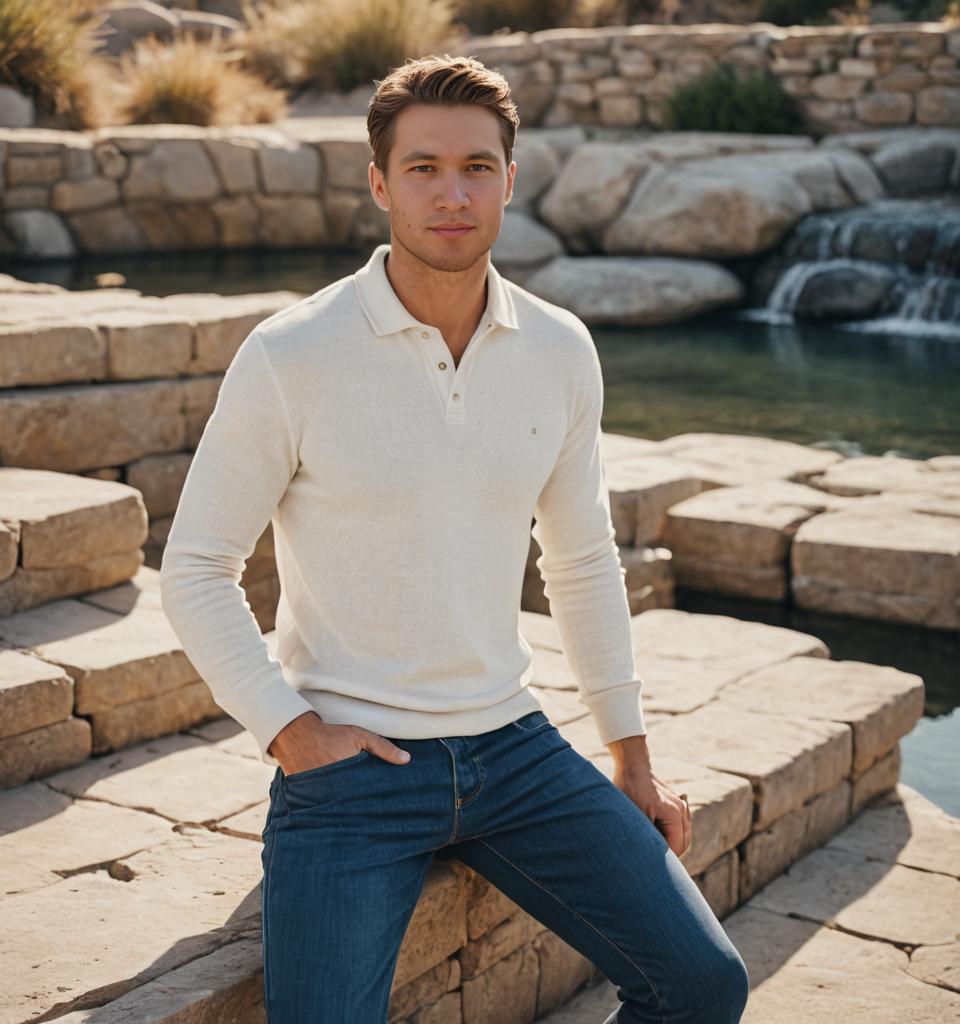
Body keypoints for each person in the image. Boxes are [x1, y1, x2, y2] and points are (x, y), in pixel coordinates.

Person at [159, 53, 749, 1024]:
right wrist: (291, 729)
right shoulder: (292, 354)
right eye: (423, 168)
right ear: (378, 181)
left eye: (477, 167)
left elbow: (582, 556)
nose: (451, 193)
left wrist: (630, 757)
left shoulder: (559, 349)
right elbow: (197, 567)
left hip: (514, 749)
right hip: (354, 769)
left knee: (701, 982)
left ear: (509, 181)